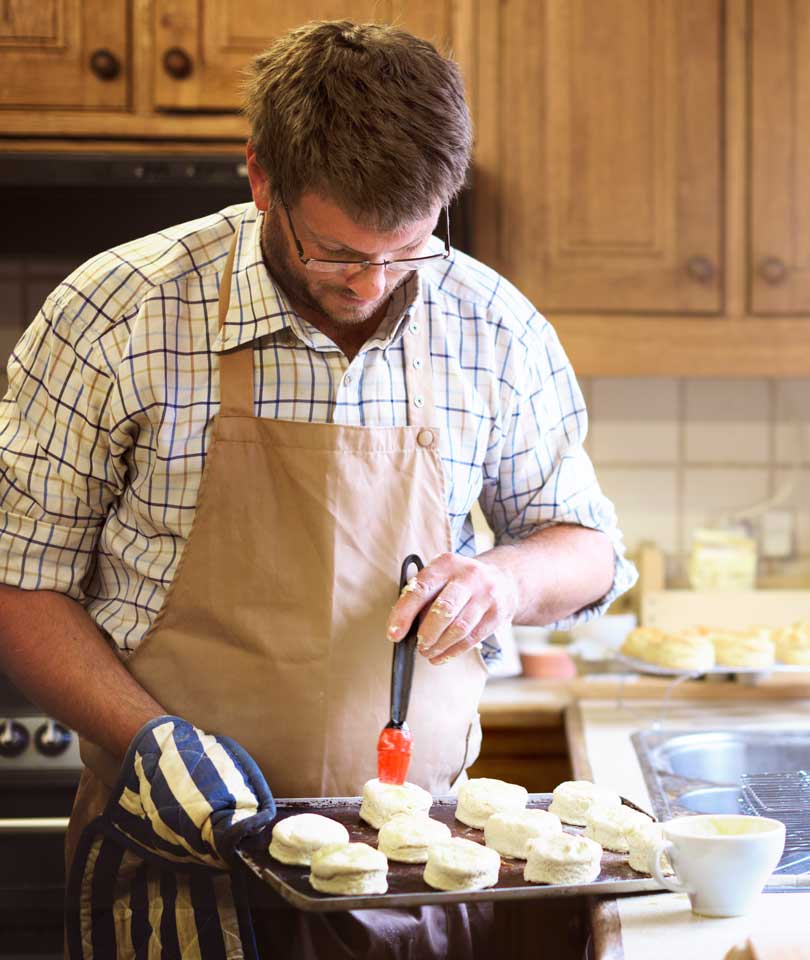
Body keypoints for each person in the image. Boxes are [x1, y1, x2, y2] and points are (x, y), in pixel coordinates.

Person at [0, 19, 635, 959]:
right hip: (174, 870)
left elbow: (587, 548)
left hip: (410, 874)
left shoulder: (493, 326)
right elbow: (21, 584)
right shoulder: (119, 313)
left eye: (407, 251)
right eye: (336, 252)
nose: (373, 283)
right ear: (262, 178)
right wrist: (148, 741)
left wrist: (505, 579)